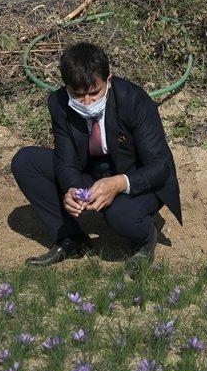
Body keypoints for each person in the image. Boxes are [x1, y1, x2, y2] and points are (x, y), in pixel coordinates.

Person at [10, 43, 182, 266]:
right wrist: (72, 188)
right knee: (26, 162)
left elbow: (161, 166)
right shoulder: (58, 103)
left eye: (94, 93)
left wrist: (118, 183)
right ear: (66, 87)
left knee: (119, 214)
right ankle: (71, 239)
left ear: (108, 79)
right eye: (77, 95)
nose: (87, 102)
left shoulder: (133, 100)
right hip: (92, 171)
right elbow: (66, 159)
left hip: (137, 177)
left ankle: (145, 238)